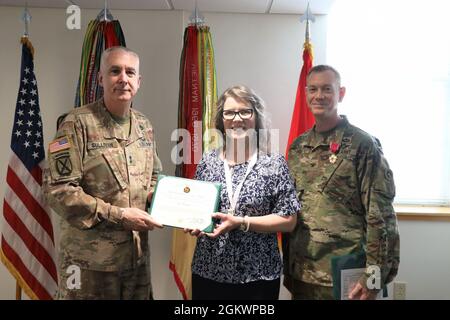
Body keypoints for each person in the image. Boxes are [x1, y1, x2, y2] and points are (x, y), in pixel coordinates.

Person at [43, 46, 163, 299]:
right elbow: (59, 191)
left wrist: (168, 202)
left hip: (136, 260)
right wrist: (119, 215)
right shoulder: (75, 124)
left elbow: (153, 177)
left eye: (130, 72)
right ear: (100, 78)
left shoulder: (144, 126)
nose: (123, 78)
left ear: (138, 82)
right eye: (114, 71)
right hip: (91, 267)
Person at [283, 65, 400, 300]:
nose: (319, 96)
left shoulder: (362, 145)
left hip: (346, 273)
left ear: (341, 93)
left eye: (327, 89)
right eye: (313, 89)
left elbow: (381, 216)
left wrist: (374, 278)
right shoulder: (298, 147)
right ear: (306, 94)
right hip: (302, 274)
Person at [187, 85, 301, 300]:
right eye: (229, 112)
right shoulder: (207, 161)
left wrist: (241, 222)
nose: (236, 119)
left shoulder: (274, 163)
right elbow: (197, 208)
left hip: (258, 276)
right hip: (208, 272)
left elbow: (288, 220)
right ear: (221, 120)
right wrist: (194, 223)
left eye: (245, 111)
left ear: (256, 117)